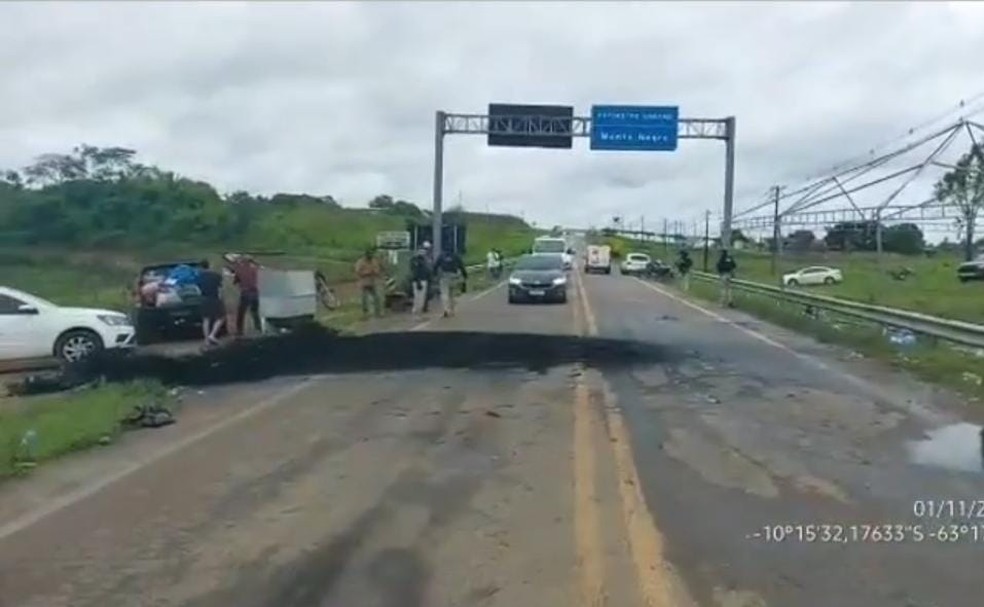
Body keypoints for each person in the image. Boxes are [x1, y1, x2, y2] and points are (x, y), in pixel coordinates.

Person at [228, 254, 262, 337]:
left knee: (241, 313)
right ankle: (258, 328)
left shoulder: (240, 270)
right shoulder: (254, 269)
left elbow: (235, 281)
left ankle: (240, 331)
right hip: (255, 292)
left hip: (246, 293)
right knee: (255, 312)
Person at [196, 259, 226, 347]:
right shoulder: (216, 276)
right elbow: (220, 289)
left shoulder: (198, 277)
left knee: (206, 319)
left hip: (205, 299)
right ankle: (212, 335)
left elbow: (198, 290)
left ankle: (206, 340)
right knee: (221, 317)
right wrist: (221, 299)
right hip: (215, 298)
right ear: (209, 266)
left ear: (200, 267)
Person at [434, 247, 468, 318]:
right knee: (453, 294)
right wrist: (465, 275)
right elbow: (461, 266)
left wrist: (434, 275)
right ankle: (452, 310)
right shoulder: (456, 256)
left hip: (444, 276)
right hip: (454, 277)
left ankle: (446, 309)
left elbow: (436, 266)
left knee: (444, 294)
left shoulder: (441, 256)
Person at [354, 247, 383, 318]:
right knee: (364, 299)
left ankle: (378, 312)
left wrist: (376, 272)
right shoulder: (361, 262)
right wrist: (367, 272)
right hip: (364, 282)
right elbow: (358, 271)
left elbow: (377, 270)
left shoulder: (374, 261)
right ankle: (365, 313)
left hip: (372, 282)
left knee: (377, 297)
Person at [409, 244, 432, 317]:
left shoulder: (413, 260)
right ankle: (419, 309)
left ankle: (416, 309)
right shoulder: (425, 261)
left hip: (415, 280)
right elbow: (428, 271)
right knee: (421, 296)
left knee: (416, 296)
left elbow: (412, 269)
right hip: (423, 279)